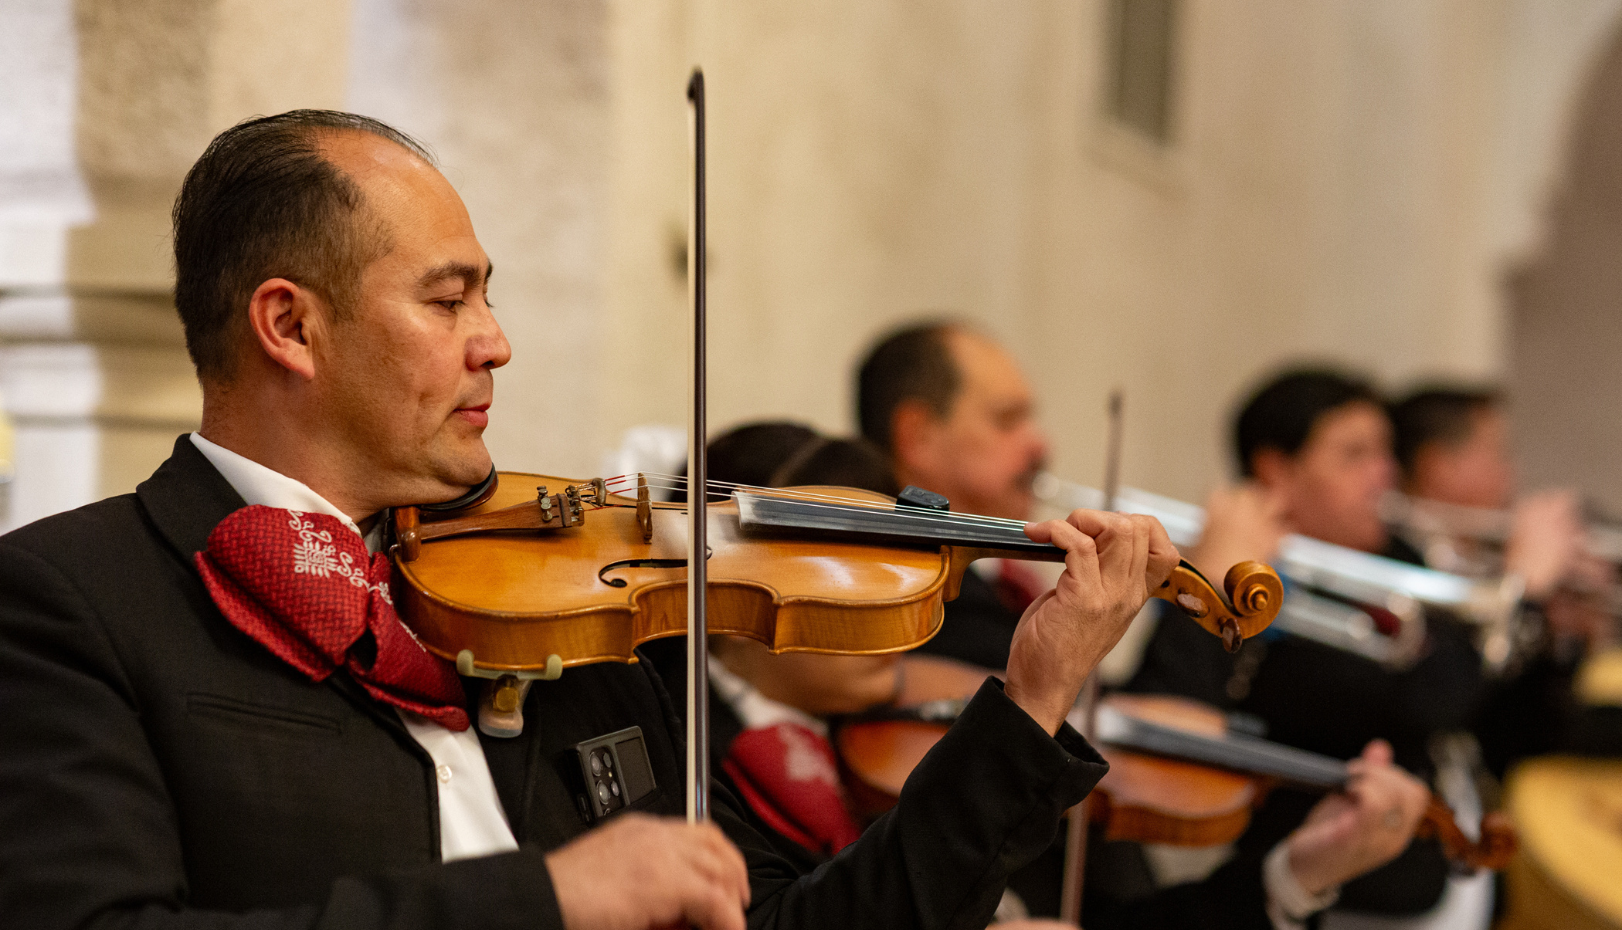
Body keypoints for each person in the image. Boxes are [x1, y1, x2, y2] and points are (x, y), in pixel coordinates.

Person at [0, 111, 1180, 930]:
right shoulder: (76, 602)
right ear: (290, 327)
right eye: (447, 297)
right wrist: (547, 903)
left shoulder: (555, 611)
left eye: (489, 293)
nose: (495, 340)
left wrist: (1030, 698)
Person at [855, 327, 1432, 929]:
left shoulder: (996, 591)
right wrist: (1206, 584)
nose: (1039, 443)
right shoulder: (918, 607)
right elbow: (1141, 738)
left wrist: (1300, 873)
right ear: (916, 435)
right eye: (1008, 420)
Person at [1128, 369, 1530, 928]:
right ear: (1276, 472)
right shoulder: (1252, 600)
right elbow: (1420, 703)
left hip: (1440, 878)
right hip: (1331, 900)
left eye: (1384, 451)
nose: (1385, 473)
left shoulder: (1395, 557)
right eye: (1354, 455)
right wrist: (1522, 584)